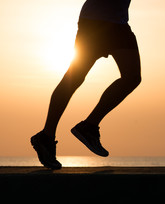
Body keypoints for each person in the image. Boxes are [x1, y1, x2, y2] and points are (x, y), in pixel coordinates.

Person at [31, 0, 141, 169]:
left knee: (132, 78)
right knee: (74, 78)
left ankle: (88, 126)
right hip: (95, 22)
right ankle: (47, 136)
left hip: (118, 24)